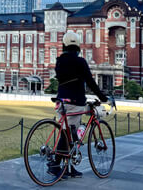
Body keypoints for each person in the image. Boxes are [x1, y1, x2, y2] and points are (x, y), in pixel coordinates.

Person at [48, 31, 109, 179]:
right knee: (68, 134)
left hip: (61, 100)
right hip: (75, 101)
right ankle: (55, 164)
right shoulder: (80, 62)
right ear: (78, 46)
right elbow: (90, 81)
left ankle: (69, 167)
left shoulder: (59, 61)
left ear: (64, 45)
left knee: (68, 131)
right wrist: (103, 97)